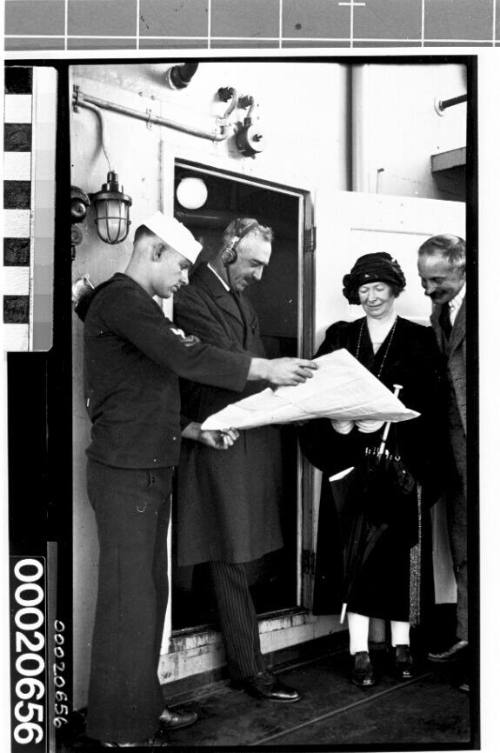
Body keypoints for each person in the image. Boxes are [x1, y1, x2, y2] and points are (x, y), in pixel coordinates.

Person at [79, 211, 316, 746]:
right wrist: (265, 369)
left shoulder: (140, 306)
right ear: (152, 251)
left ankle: (142, 706)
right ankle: (119, 730)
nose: (185, 278)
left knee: (149, 597)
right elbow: (182, 356)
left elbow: (143, 390)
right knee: (128, 601)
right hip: (127, 472)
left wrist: (193, 431)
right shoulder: (122, 299)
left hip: (149, 465)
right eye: (181, 266)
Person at [174, 217, 304, 703]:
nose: (260, 275)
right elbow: (225, 362)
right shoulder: (192, 297)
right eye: (253, 263)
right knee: (229, 550)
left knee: (232, 549)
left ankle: (246, 664)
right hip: (213, 438)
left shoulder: (236, 297)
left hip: (238, 437)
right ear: (227, 251)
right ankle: (250, 670)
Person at [300, 252, 444, 688]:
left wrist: (389, 419)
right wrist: (340, 424)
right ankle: (358, 649)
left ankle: (402, 644)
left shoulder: (420, 340)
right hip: (350, 466)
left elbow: (435, 410)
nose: (372, 297)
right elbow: (316, 391)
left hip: (402, 467)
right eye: (363, 289)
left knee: (399, 554)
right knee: (355, 554)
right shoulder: (341, 336)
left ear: (395, 290)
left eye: (379, 287)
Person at [417, 235, 468, 677]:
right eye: (423, 280)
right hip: (455, 451)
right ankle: (469, 638)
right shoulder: (440, 310)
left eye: (437, 280)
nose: (429, 290)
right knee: (464, 545)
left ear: (464, 269)